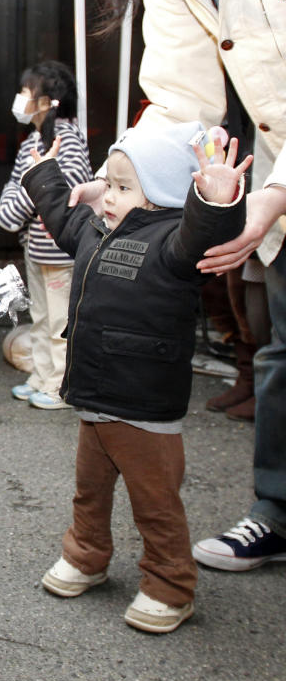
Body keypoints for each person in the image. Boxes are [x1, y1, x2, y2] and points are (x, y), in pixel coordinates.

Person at [79, 0, 286, 571]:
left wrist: (273, 197)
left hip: (277, 179)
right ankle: (278, 511)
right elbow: (178, 102)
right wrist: (118, 174)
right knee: (282, 348)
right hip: (274, 173)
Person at [25, 122, 250, 633]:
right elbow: (62, 216)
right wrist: (43, 173)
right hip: (94, 397)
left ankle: (170, 587)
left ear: (165, 192)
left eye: (124, 187)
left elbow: (207, 230)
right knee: (89, 491)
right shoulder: (96, 228)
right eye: (109, 182)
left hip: (145, 407)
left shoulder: (175, 243)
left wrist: (215, 199)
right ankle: (86, 557)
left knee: (155, 504)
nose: (107, 196)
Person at [0, 60, 92, 410]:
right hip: (38, 248)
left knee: (60, 322)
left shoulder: (64, 140)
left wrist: (13, 210)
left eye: (26, 92)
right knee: (43, 317)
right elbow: (22, 190)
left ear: (49, 101)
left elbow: (62, 189)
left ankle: (59, 385)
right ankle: (41, 375)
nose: (20, 99)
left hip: (58, 250)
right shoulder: (36, 140)